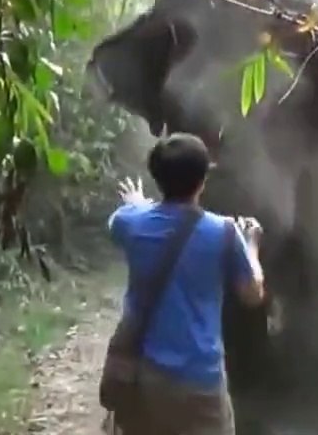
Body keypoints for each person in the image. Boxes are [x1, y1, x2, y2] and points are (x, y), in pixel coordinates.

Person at [107, 132, 266, 435]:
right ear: (204, 179)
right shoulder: (226, 233)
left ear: (156, 177)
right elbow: (252, 295)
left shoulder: (129, 222)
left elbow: (132, 219)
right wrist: (252, 247)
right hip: (201, 381)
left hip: (146, 377)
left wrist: (139, 204)